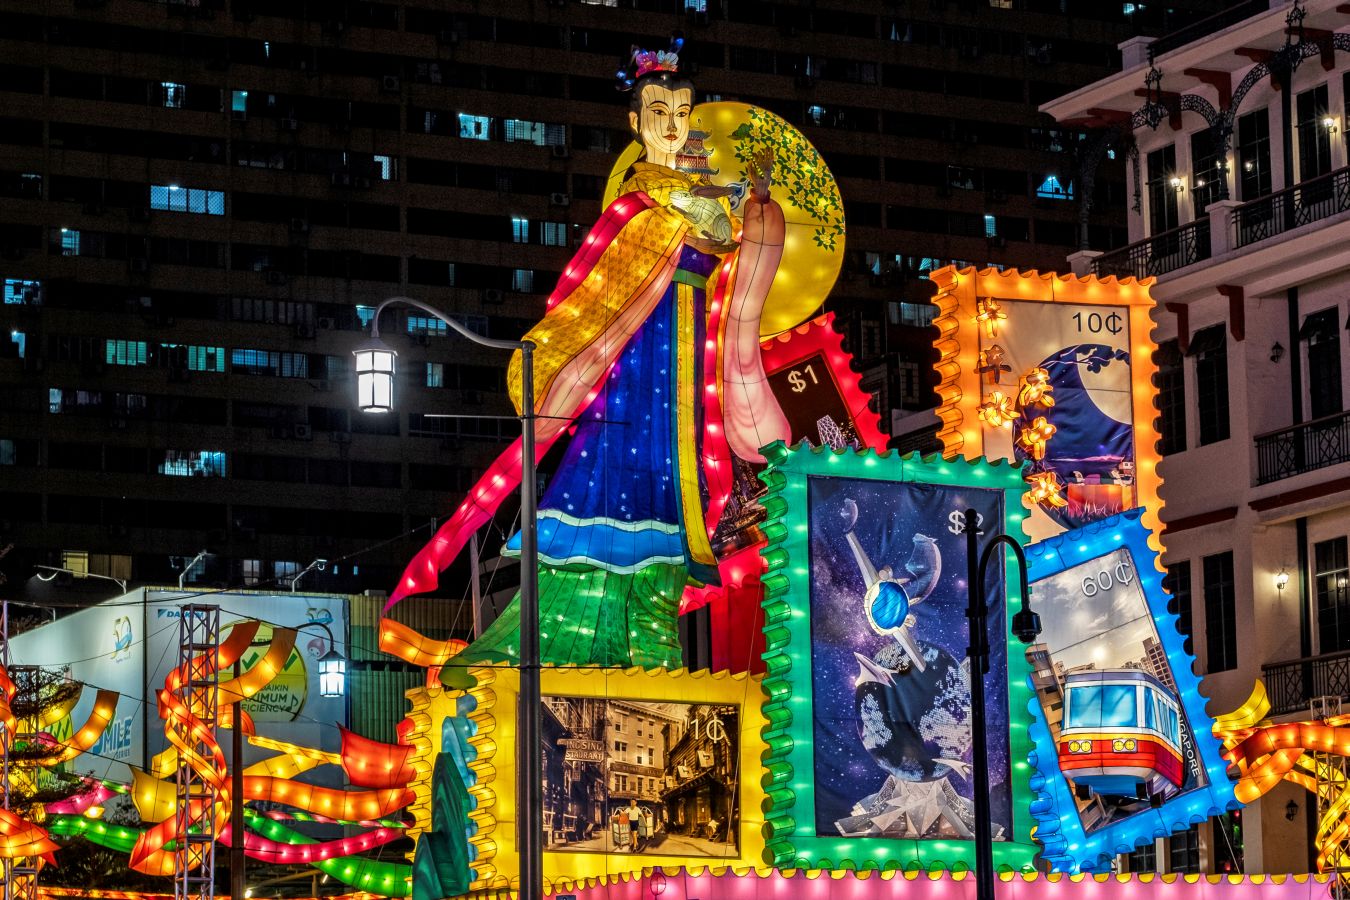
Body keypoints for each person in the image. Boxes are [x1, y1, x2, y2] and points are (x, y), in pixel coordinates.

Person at [391, 39, 790, 671]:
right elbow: (597, 294)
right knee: (612, 475)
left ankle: (652, 637)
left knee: (674, 491)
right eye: (658, 109)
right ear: (635, 123)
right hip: (631, 370)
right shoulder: (635, 206)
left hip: (683, 379)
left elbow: (732, 254)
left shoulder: (701, 203)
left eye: (682, 109)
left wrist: (754, 209)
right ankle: (585, 634)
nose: (672, 121)